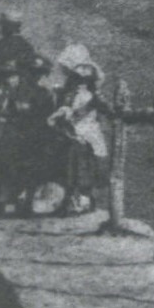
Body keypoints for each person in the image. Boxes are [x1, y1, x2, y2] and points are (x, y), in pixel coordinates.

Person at [0, 55, 53, 216]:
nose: (36, 76)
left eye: (39, 73)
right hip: (9, 133)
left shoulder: (44, 92)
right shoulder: (9, 92)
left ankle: (27, 202)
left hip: (32, 134)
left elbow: (45, 113)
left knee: (31, 169)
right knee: (0, 166)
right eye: (32, 72)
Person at [48, 45, 111, 216]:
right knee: (68, 166)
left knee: (85, 168)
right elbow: (63, 110)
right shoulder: (68, 94)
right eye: (76, 79)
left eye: (83, 80)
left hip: (89, 134)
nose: (79, 83)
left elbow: (106, 110)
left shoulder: (93, 96)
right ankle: (69, 199)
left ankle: (85, 199)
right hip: (70, 134)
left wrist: (97, 103)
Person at [0, 13, 39, 99]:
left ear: (10, 27)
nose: (1, 28)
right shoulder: (26, 45)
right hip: (22, 87)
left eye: (3, 25)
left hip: (4, 86)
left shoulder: (2, 44)